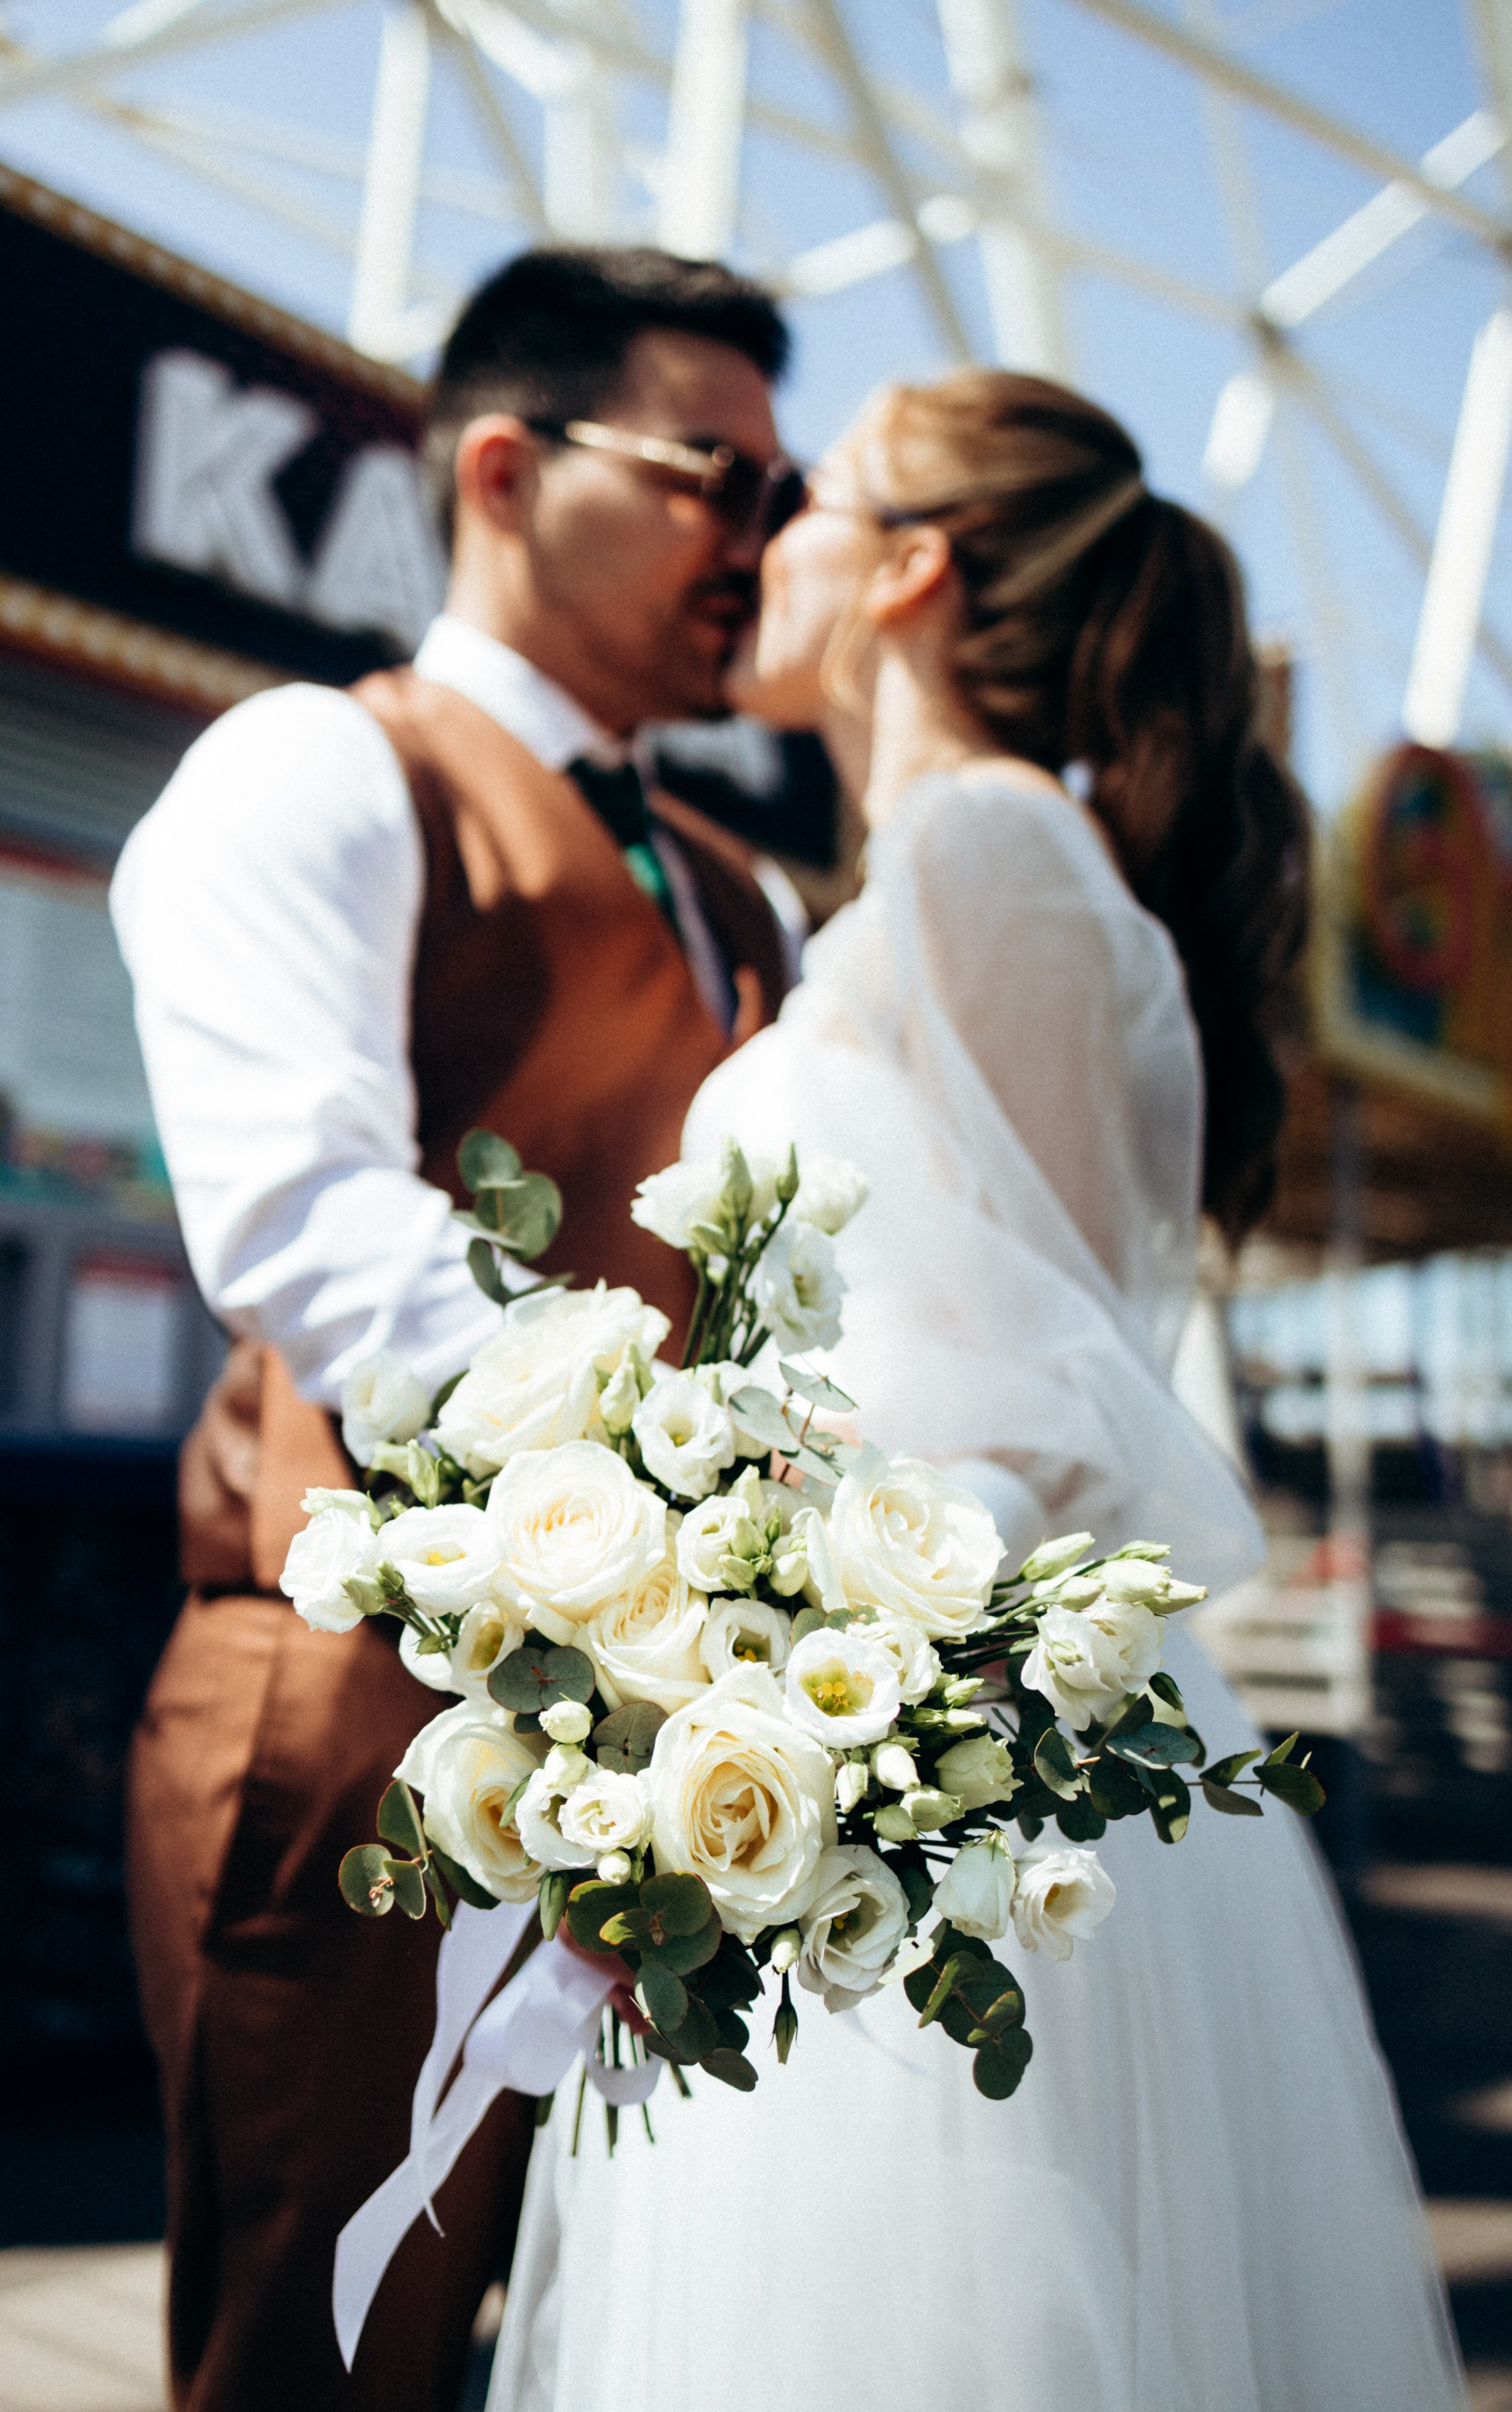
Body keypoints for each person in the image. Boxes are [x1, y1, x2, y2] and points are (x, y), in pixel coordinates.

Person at [484, 372, 1467, 2411]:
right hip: (912, 1721)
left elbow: (1044, 1400)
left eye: (812, 496)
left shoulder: (992, 850)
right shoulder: (942, 869)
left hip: (946, 1765)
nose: (759, 537)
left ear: (918, 570)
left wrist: (757, 1711)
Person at [111, 245, 803, 2412]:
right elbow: (318, 1233)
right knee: (322, 2358)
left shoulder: (740, 882)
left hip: (696, 1764)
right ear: (505, 465)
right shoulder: (320, 769)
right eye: (718, 476)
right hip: (356, 1729)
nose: (761, 544)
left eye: (783, 498)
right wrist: (680, 1574)